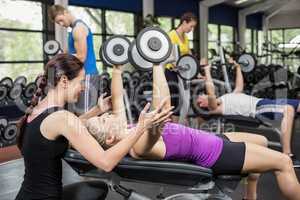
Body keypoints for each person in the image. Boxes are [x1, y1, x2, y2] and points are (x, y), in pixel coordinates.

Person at [86, 62, 300, 200]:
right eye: (103, 121)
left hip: (211, 140)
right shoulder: (137, 145)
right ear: (111, 138)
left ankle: (250, 196)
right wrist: (157, 64)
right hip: (215, 154)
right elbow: (162, 108)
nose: (107, 116)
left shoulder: (126, 130)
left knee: (262, 140)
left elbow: (117, 100)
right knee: (284, 162)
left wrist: (116, 68)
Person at [15, 54, 172, 200]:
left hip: (28, 194)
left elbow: (70, 125)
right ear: (64, 81)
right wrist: (141, 128)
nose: (83, 87)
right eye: (81, 82)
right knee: (97, 188)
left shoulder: (36, 111)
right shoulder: (61, 117)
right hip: (46, 197)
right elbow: (106, 162)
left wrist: (97, 110)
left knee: (97, 188)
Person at [197, 58, 300, 166]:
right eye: (199, 99)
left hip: (265, 102)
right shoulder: (215, 108)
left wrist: (237, 67)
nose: (201, 95)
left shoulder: (225, 97)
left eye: (201, 95)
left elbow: (239, 87)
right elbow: (210, 91)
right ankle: (287, 155)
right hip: (258, 108)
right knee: (288, 110)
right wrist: (207, 71)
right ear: (203, 105)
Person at [49, 5, 99, 115]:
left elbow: (81, 56)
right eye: (58, 23)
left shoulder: (78, 29)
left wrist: (62, 62)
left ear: (66, 12)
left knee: (86, 114)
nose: (61, 25)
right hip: (79, 76)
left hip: (87, 75)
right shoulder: (73, 31)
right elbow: (67, 54)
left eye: (61, 20)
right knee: (77, 113)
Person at [165, 12, 197, 122]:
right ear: (184, 22)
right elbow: (169, 56)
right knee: (175, 99)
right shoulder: (172, 35)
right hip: (171, 72)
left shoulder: (185, 38)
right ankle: (174, 125)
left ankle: (181, 123)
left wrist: (197, 70)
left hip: (181, 72)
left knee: (185, 99)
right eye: (191, 26)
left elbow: (189, 55)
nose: (191, 29)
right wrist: (179, 66)